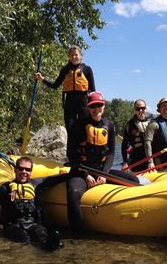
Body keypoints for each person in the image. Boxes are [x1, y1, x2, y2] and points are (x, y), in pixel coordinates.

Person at [38, 91, 139, 235]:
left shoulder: (109, 125)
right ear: (88, 107)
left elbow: (110, 153)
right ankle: (77, 234)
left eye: (100, 105)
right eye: (93, 106)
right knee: (73, 193)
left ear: (104, 106)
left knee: (133, 180)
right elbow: (71, 154)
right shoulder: (78, 125)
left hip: (101, 170)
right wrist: (85, 175)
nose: (97, 109)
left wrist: (103, 175)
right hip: (81, 170)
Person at [35, 45, 95, 156]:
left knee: (86, 130)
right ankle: (72, 159)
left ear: (80, 56)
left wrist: (94, 109)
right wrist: (42, 79)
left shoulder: (87, 70)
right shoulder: (65, 70)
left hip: (84, 104)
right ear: (68, 56)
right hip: (70, 104)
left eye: (76, 54)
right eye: (72, 55)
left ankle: (88, 156)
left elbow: (93, 91)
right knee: (71, 131)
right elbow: (55, 85)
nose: (74, 57)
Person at [121, 99, 151, 172]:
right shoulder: (129, 125)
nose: (140, 110)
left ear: (145, 108)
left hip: (151, 159)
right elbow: (124, 145)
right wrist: (125, 162)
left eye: (143, 108)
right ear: (135, 110)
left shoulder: (152, 122)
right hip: (136, 159)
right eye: (138, 109)